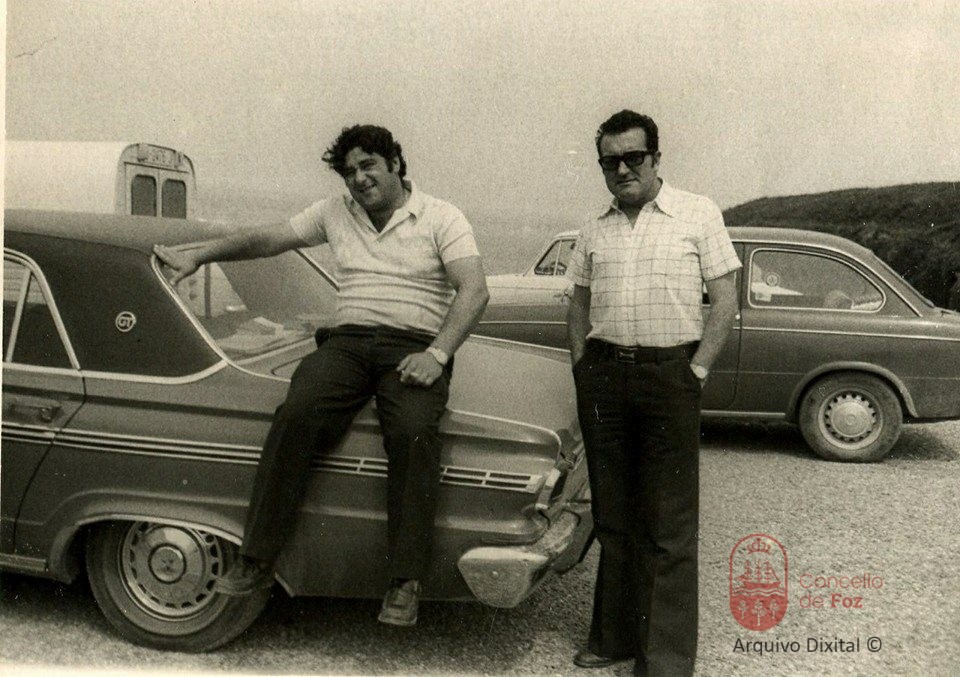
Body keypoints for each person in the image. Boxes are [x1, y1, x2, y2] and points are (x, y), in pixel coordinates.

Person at [154, 124, 489, 627]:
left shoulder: (442, 216)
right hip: (348, 343)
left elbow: (474, 290)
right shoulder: (335, 212)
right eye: (349, 172)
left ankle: (405, 581)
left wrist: (437, 355)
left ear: (396, 163)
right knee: (298, 413)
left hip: (414, 347)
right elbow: (268, 239)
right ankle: (256, 560)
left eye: (368, 165)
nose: (359, 179)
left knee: (413, 430)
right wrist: (198, 254)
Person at [565, 110, 741, 675]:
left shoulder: (698, 213)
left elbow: (726, 300)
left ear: (656, 158)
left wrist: (697, 370)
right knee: (613, 515)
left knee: (669, 524)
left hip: (670, 378)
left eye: (633, 158)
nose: (622, 170)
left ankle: (663, 662)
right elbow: (577, 302)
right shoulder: (593, 227)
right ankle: (614, 638)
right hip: (605, 377)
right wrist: (583, 368)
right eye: (609, 162)